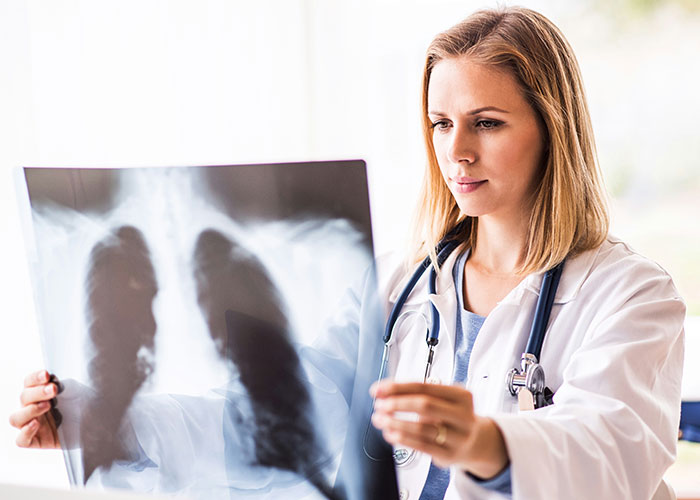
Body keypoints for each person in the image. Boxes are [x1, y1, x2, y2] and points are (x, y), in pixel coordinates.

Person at [9, 6, 685, 500]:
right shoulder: (399, 284)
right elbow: (276, 416)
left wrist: (489, 444)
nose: (457, 152)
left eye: (487, 122)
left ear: (552, 129)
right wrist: (99, 422)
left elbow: (616, 449)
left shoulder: (630, 295)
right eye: (442, 123)